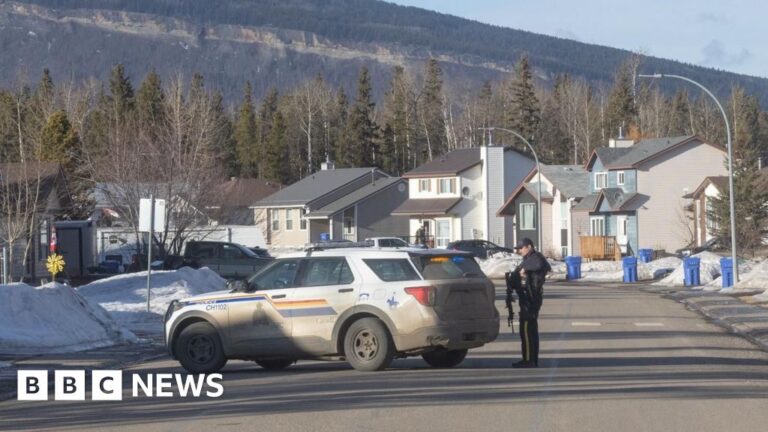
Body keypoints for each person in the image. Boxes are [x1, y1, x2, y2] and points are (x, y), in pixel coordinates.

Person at [509, 237, 550, 368]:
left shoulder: (536, 258)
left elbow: (541, 265)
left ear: (529, 247)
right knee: (528, 330)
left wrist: (523, 268)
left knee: (527, 330)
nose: (519, 251)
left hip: (531, 299)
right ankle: (531, 359)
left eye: (521, 248)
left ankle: (529, 360)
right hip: (526, 298)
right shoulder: (527, 260)